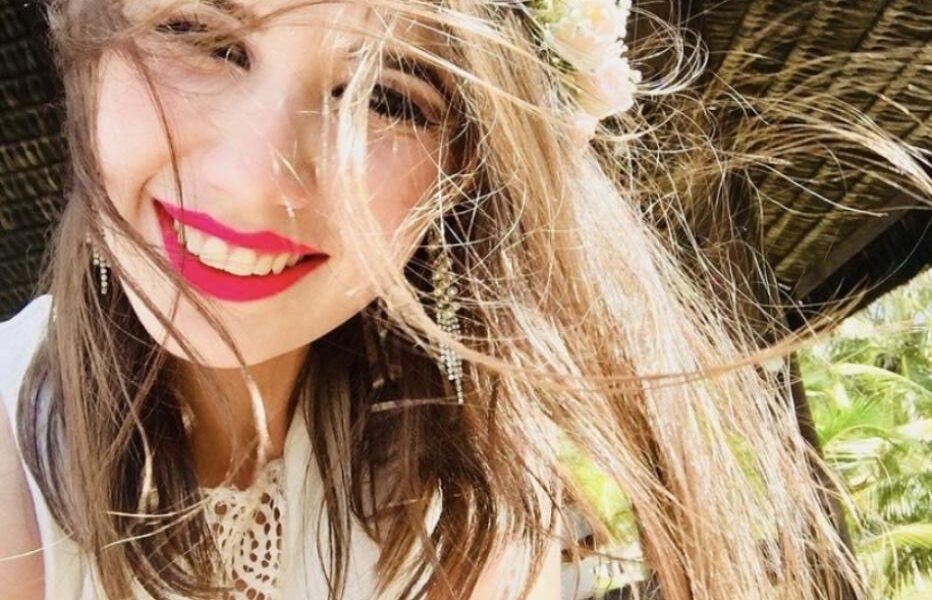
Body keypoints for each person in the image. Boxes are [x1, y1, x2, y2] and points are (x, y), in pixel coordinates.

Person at [1, 0, 917, 598]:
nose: (253, 182)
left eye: (389, 98)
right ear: (84, 43)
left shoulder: (469, 497)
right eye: (199, 37)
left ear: (467, 171)